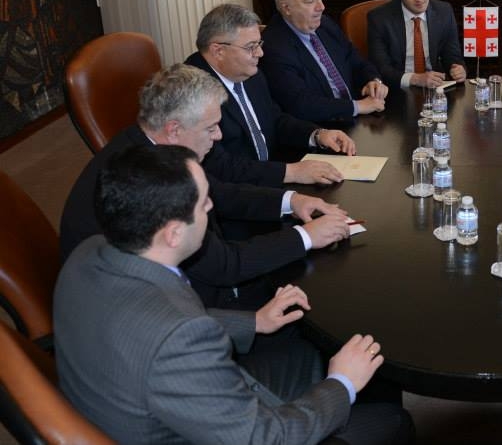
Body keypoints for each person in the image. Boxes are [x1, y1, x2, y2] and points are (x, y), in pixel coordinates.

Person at [55, 144, 413, 444]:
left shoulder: (90, 252)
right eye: (203, 204)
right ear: (174, 234)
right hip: (227, 430)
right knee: (392, 419)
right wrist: (341, 384)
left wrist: (253, 321)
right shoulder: (180, 341)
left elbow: (156, 319)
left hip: (154, 398)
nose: (212, 206)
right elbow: (265, 438)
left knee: (311, 344)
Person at [60, 63, 351, 309]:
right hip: (164, 310)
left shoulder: (151, 146)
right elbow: (224, 266)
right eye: (210, 128)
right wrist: (306, 236)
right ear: (174, 129)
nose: (219, 135)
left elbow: (218, 192)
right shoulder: (151, 183)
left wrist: (292, 201)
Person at [185, 3, 357, 187]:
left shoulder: (250, 73)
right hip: (238, 192)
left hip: (269, 177)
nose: (260, 53)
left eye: (259, 44)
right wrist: (291, 172)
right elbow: (220, 166)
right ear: (218, 51)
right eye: (251, 47)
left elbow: (274, 119)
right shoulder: (192, 92)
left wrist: (317, 135)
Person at [261, 0, 388, 122]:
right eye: (310, 0)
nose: (321, 7)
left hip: (357, 114)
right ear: (287, 8)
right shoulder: (274, 47)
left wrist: (373, 81)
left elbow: (355, 59)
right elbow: (300, 104)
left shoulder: (325, 24)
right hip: (322, 126)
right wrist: (357, 107)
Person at [366, 0, 467, 90]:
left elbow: (452, 56)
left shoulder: (444, 12)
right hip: (398, 89)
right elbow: (382, 69)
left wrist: (458, 69)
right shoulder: (379, 19)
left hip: (435, 88)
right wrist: (415, 79)